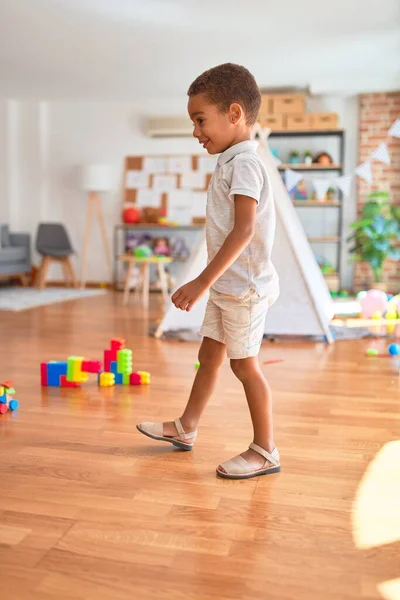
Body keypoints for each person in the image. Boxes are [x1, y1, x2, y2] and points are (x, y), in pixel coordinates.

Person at [137, 63, 280, 480]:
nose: (196, 131)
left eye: (201, 120)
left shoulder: (246, 164)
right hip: (228, 287)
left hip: (244, 290)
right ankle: (186, 427)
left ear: (234, 114)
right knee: (209, 355)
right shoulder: (230, 160)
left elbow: (244, 229)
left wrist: (201, 281)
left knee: (244, 366)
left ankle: (265, 449)